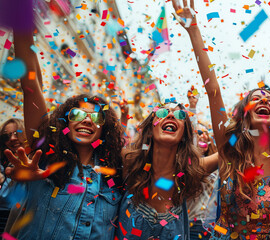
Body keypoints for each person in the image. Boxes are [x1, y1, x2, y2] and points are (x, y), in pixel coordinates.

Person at [172, 0, 270, 239]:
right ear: (244, 115)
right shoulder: (231, 151)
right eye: (255, 99)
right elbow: (213, 90)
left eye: (269, 99)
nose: (263, 101)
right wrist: (194, 30)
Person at [3, 6, 125, 239]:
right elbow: (31, 86)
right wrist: (21, 17)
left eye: (95, 116)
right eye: (77, 115)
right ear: (64, 121)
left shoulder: (117, 172)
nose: (86, 120)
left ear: (104, 128)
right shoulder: (45, 154)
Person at [116, 102, 218, 240]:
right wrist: (123, 117)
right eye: (162, 113)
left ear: (184, 135)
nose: (170, 115)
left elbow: (228, 149)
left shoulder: (191, 170)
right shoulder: (129, 162)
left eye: (179, 115)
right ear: (150, 131)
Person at [186, 89, 219, 240]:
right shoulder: (188, 161)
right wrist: (193, 106)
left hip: (214, 225)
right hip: (193, 223)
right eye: (200, 133)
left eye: (206, 133)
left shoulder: (217, 162)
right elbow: (190, 135)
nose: (203, 135)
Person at [0, 119, 27, 233]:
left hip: (20, 222)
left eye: (17, 133)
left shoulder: (37, 160)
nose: (12, 139)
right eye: (6, 136)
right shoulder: (2, 161)